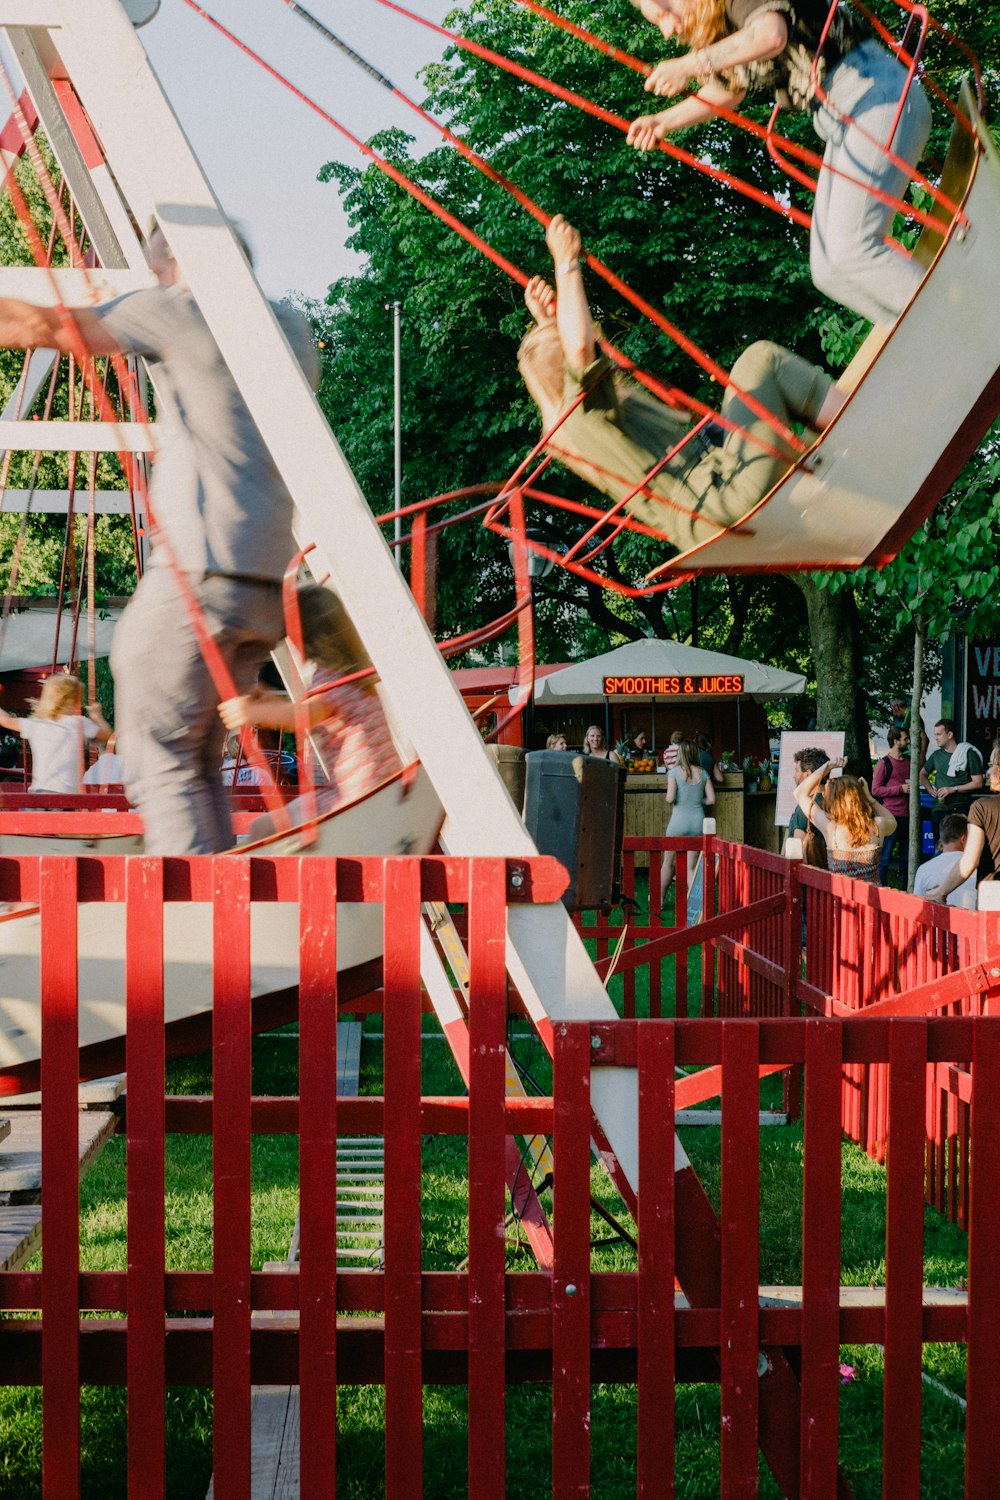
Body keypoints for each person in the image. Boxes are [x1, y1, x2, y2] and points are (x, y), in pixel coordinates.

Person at [0, 220, 319, 855]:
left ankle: (195, 921)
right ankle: (216, 896)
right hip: (269, 579)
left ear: (178, 252)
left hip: (203, 568)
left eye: (155, 266)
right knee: (197, 757)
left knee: (158, 753)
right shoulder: (291, 326)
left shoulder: (180, 308)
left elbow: (41, 328)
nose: (153, 280)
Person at [519, 217, 845, 555]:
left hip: (705, 509)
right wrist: (566, 263)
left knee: (749, 390)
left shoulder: (572, 431)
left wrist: (548, 322)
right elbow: (580, 350)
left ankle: (834, 422)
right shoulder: (582, 413)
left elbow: (570, 357)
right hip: (721, 497)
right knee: (758, 361)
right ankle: (852, 417)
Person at [626, 0, 932, 326]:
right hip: (845, 118)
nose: (668, 29)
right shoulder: (722, 27)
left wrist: (690, 65)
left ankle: (956, 322)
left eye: (663, 14)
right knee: (829, 270)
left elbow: (771, 34)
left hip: (874, 93)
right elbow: (727, 91)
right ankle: (922, 336)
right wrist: (661, 122)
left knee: (850, 249)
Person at [220, 584, 400, 827]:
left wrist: (251, 712)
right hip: (380, 793)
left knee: (261, 827)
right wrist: (272, 701)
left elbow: (305, 715)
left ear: (305, 636)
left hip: (352, 800)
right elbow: (317, 708)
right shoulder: (356, 678)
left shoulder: (329, 678)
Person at [0, 675, 111, 794]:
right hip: (70, 795)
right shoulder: (80, 723)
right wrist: (97, 716)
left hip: (40, 794)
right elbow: (108, 736)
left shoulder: (36, 724)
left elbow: (5, 720)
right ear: (72, 701)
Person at [793, 755, 895, 883]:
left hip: (841, 901)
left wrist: (828, 766)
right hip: (871, 901)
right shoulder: (877, 825)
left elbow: (799, 793)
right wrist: (870, 798)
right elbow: (892, 821)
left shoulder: (831, 828)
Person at [925, 744, 1000, 904]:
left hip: (993, 895)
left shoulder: (981, 808)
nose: (987, 772)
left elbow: (969, 862)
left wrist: (941, 892)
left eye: (992, 764)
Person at [662, 735, 715, 903]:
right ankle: (698, 904)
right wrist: (698, 801)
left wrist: (679, 798)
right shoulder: (703, 773)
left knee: (668, 864)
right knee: (691, 867)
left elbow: (670, 798)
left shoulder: (674, 772)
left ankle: (660, 901)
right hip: (697, 822)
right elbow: (712, 799)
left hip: (678, 822)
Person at [920, 719, 984, 846]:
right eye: (935, 735)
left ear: (949, 735)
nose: (936, 738)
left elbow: (978, 783)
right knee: (939, 848)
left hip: (960, 808)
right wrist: (930, 790)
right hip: (939, 809)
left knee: (961, 847)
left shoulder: (969, 753)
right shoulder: (936, 755)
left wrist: (953, 789)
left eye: (939, 734)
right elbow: (922, 774)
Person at [913, 813, 977, 911]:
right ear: (964, 839)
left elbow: (917, 906)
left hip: (936, 924)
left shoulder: (924, 869)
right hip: (972, 922)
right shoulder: (976, 868)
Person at [871, 726, 911, 884]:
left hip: (907, 815)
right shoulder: (884, 763)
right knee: (885, 856)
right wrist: (899, 789)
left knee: (906, 856)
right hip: (890, 815)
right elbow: (875, 789)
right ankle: (882, 887)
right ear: (896, 741)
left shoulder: (909, 761)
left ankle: (905, 889)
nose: (908, 741)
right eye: (905, 739)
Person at [785, 745, 830, 856]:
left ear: (808, 774)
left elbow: (796, 852)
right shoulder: (835, 802)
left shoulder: (804, 808)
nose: (794, 776)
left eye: (797, 771)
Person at [888, 692, 927, 762]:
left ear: (896, 707)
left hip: (913, 756)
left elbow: (924, 738)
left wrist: (922, 756)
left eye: (892, 709)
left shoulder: (912, 717)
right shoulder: (901, 717)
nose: (893, 712)